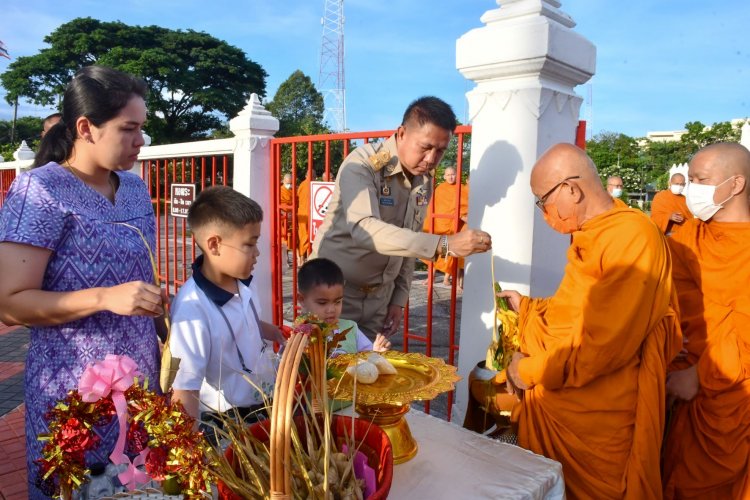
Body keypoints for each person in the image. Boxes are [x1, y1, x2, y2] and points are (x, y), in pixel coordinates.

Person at [0, 65, 164, 498]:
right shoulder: (40, 190)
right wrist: (104, 297)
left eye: (141, 128)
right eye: (128, 128)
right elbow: (10, 303)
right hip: (71, 394)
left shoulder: (134, 188)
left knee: (140, 487)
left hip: (141, 387)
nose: (140, 140)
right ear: (86, 127)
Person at [499, 143, 681, 499]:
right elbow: (577, 308)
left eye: (543, 200)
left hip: (596, 418)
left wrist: (529, 371)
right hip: (560, 400)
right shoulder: (592, 233)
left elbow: (602, 348)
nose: (544, 212)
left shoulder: (632, 238)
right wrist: (528, 308)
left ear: (572, 189)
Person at [312, 96, 491, 337]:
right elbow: (364, 228)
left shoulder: (423, 181)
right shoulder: (362, 165)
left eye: (440, 151)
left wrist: (398, 299)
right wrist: (443, 244)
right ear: (402, 133)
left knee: (370, 370)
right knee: (326, 370)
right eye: (426, 147)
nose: (431, 159)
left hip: (379, 300)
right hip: (333, 295)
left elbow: (410, 241)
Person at [662, 143, 750, 499]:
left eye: (701, 179)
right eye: (691, 178)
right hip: (676, 390)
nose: (692, 188)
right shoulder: (687, 238)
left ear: (735, 184)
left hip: (731, 401)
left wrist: (698, 376)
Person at [169, 186, 285, 433]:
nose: (257, 253)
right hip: (226, 424)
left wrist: (271, 331)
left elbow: (243, 323)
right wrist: (189, 455)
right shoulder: (192, 311)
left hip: (263, 407)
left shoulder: (241, 283)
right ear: (214, 245)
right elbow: (185, 390)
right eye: (249, 244)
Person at [297, 257, 391, 355]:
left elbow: (368, 359)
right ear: (302, 300)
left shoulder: (351, 328)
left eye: (337, 302)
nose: (331, 310)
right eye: (322, 303)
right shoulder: (298, 336)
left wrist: (377, 353)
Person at [423, 165, 469, 289]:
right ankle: (431, 277)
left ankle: (446, 279)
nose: (450, 177)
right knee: (435, 252)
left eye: (452, 174)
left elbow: (464, 209)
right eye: (448, 175)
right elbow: (433, 207)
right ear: (444, 176)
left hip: (453, 228)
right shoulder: (440, 188)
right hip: (438, 226)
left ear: (457, 175)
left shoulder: (462, 189)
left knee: (449, 253)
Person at [296, 170, 313, 264]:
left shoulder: (302, 185)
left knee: (303, 235)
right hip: (309, 213)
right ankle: (306, 257)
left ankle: (302, 258)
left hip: (302, 214)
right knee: (309, 235)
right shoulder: (313, 185)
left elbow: (297, 196)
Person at [279, 173, 293, 264]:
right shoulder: (280, 190)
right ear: (283, 181)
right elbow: (280, 203)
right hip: (283, 217)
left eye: (290, 183)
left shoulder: (293, 189)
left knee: (292, 238)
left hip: (292, 217)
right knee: (283, 238)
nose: (289, 185)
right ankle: (285, 258)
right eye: (287, 183)